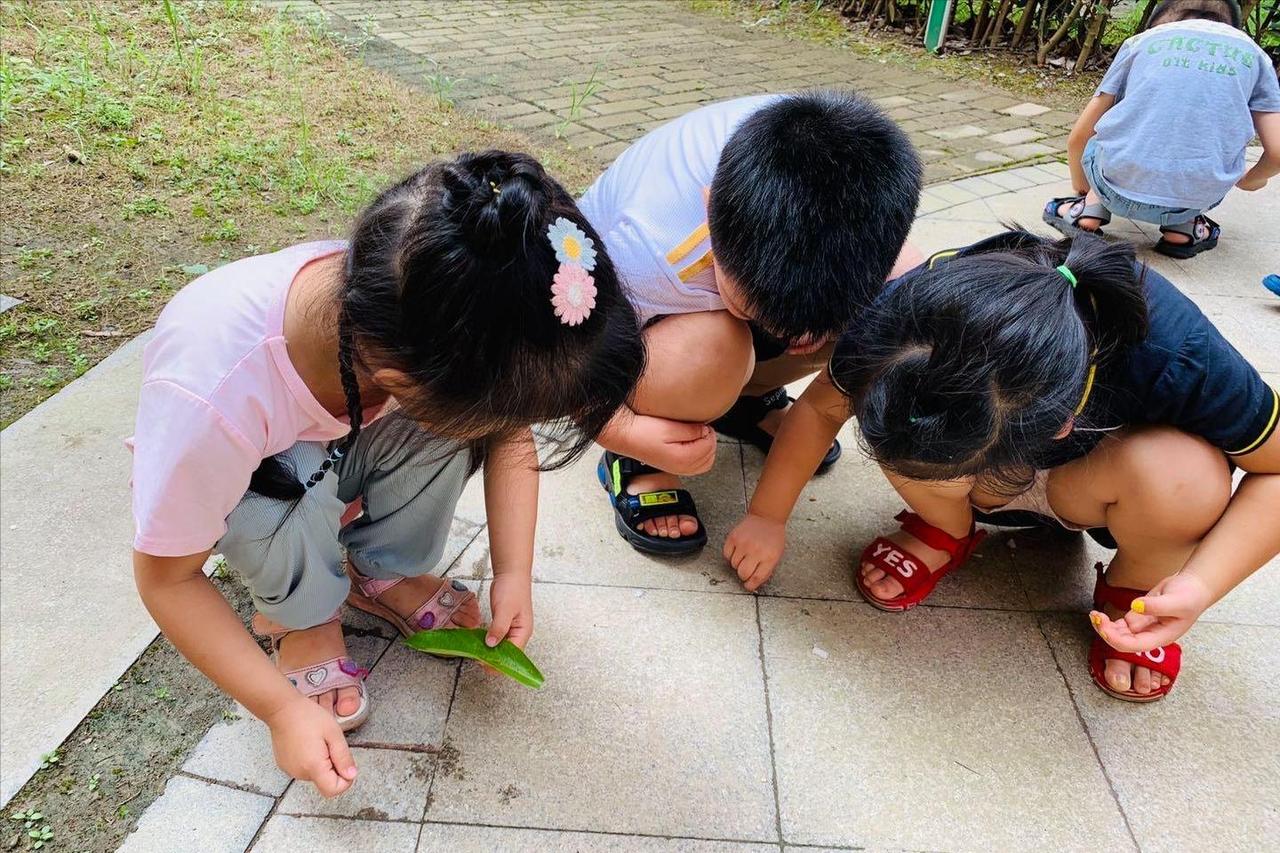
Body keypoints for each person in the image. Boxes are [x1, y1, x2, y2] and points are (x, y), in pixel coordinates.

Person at [129, 152, 643, 796]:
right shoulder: (214, 400)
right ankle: (305, 613)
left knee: (446, 427)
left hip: (343, 441)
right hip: (259, 476)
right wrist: (279, 709)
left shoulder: (423, 303)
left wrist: (514, 571)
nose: (512, 429)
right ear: (399, 383)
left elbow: (503, 425)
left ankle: (382, 568)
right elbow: (167, 579)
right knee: (286, 483)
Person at [724, 230, 1279, 702]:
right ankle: (945, 530)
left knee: (1189, 475)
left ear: (1064, 425)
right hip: (987, 460)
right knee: (914, 439)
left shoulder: (1177, 352)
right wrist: (768, 516)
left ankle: (1134, 588)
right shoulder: (905, 316)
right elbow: (821, 405)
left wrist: (1201, 584)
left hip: (1105, 482)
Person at [579, 89, 923, 554]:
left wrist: (819, 323)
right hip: (628, 327)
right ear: (708, 207)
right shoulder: (645, 247)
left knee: (895, 302)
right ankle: (635, 457)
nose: (785, 338)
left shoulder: (841, 165)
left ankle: (746, 399)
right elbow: (559, 351)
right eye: (750, 309)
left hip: (730, 273)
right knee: (716, 351)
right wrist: (618, 427)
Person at [1043, 0, 1280, 258]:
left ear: (1161, 20)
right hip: (1198, 194)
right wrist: (1252, 178)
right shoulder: (1255, 56)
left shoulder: (1142, 42)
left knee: (1101, 137)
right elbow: (1277, 152)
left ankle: (1089, 210)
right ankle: (1183, 229)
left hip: (1112, 184)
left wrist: (1084, 186)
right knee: (1202, 157)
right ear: (1232, 26)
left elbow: (1080, 135)